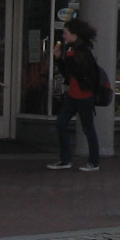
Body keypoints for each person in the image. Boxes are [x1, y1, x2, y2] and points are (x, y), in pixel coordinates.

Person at [49, 17, 102, 171]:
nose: (64, 36)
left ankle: (94, 161)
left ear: (75, 34)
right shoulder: (71, 50)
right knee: (61, 123)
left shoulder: (82, 51)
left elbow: (79, 72)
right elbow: (67, 73)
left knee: (88, 128)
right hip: (73, 94)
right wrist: (59, 59)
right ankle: (65, 159)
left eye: (66, 33)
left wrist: (68, 59)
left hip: (84, 95)